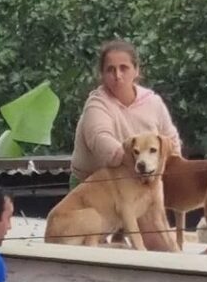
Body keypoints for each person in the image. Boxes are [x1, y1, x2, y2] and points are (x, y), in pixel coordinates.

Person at [70, 39, 182, 250]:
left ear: (136, 70)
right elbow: (102, 142)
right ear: (102, 74)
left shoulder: (153, 102)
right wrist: (141, 163)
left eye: (124, 68)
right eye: (110, 69)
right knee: (95, 256)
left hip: (141, 182)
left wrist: (157, 170)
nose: (117, 75)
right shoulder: (97, 104)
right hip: (93, 187)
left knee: (160, 246)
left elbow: (172, 143)